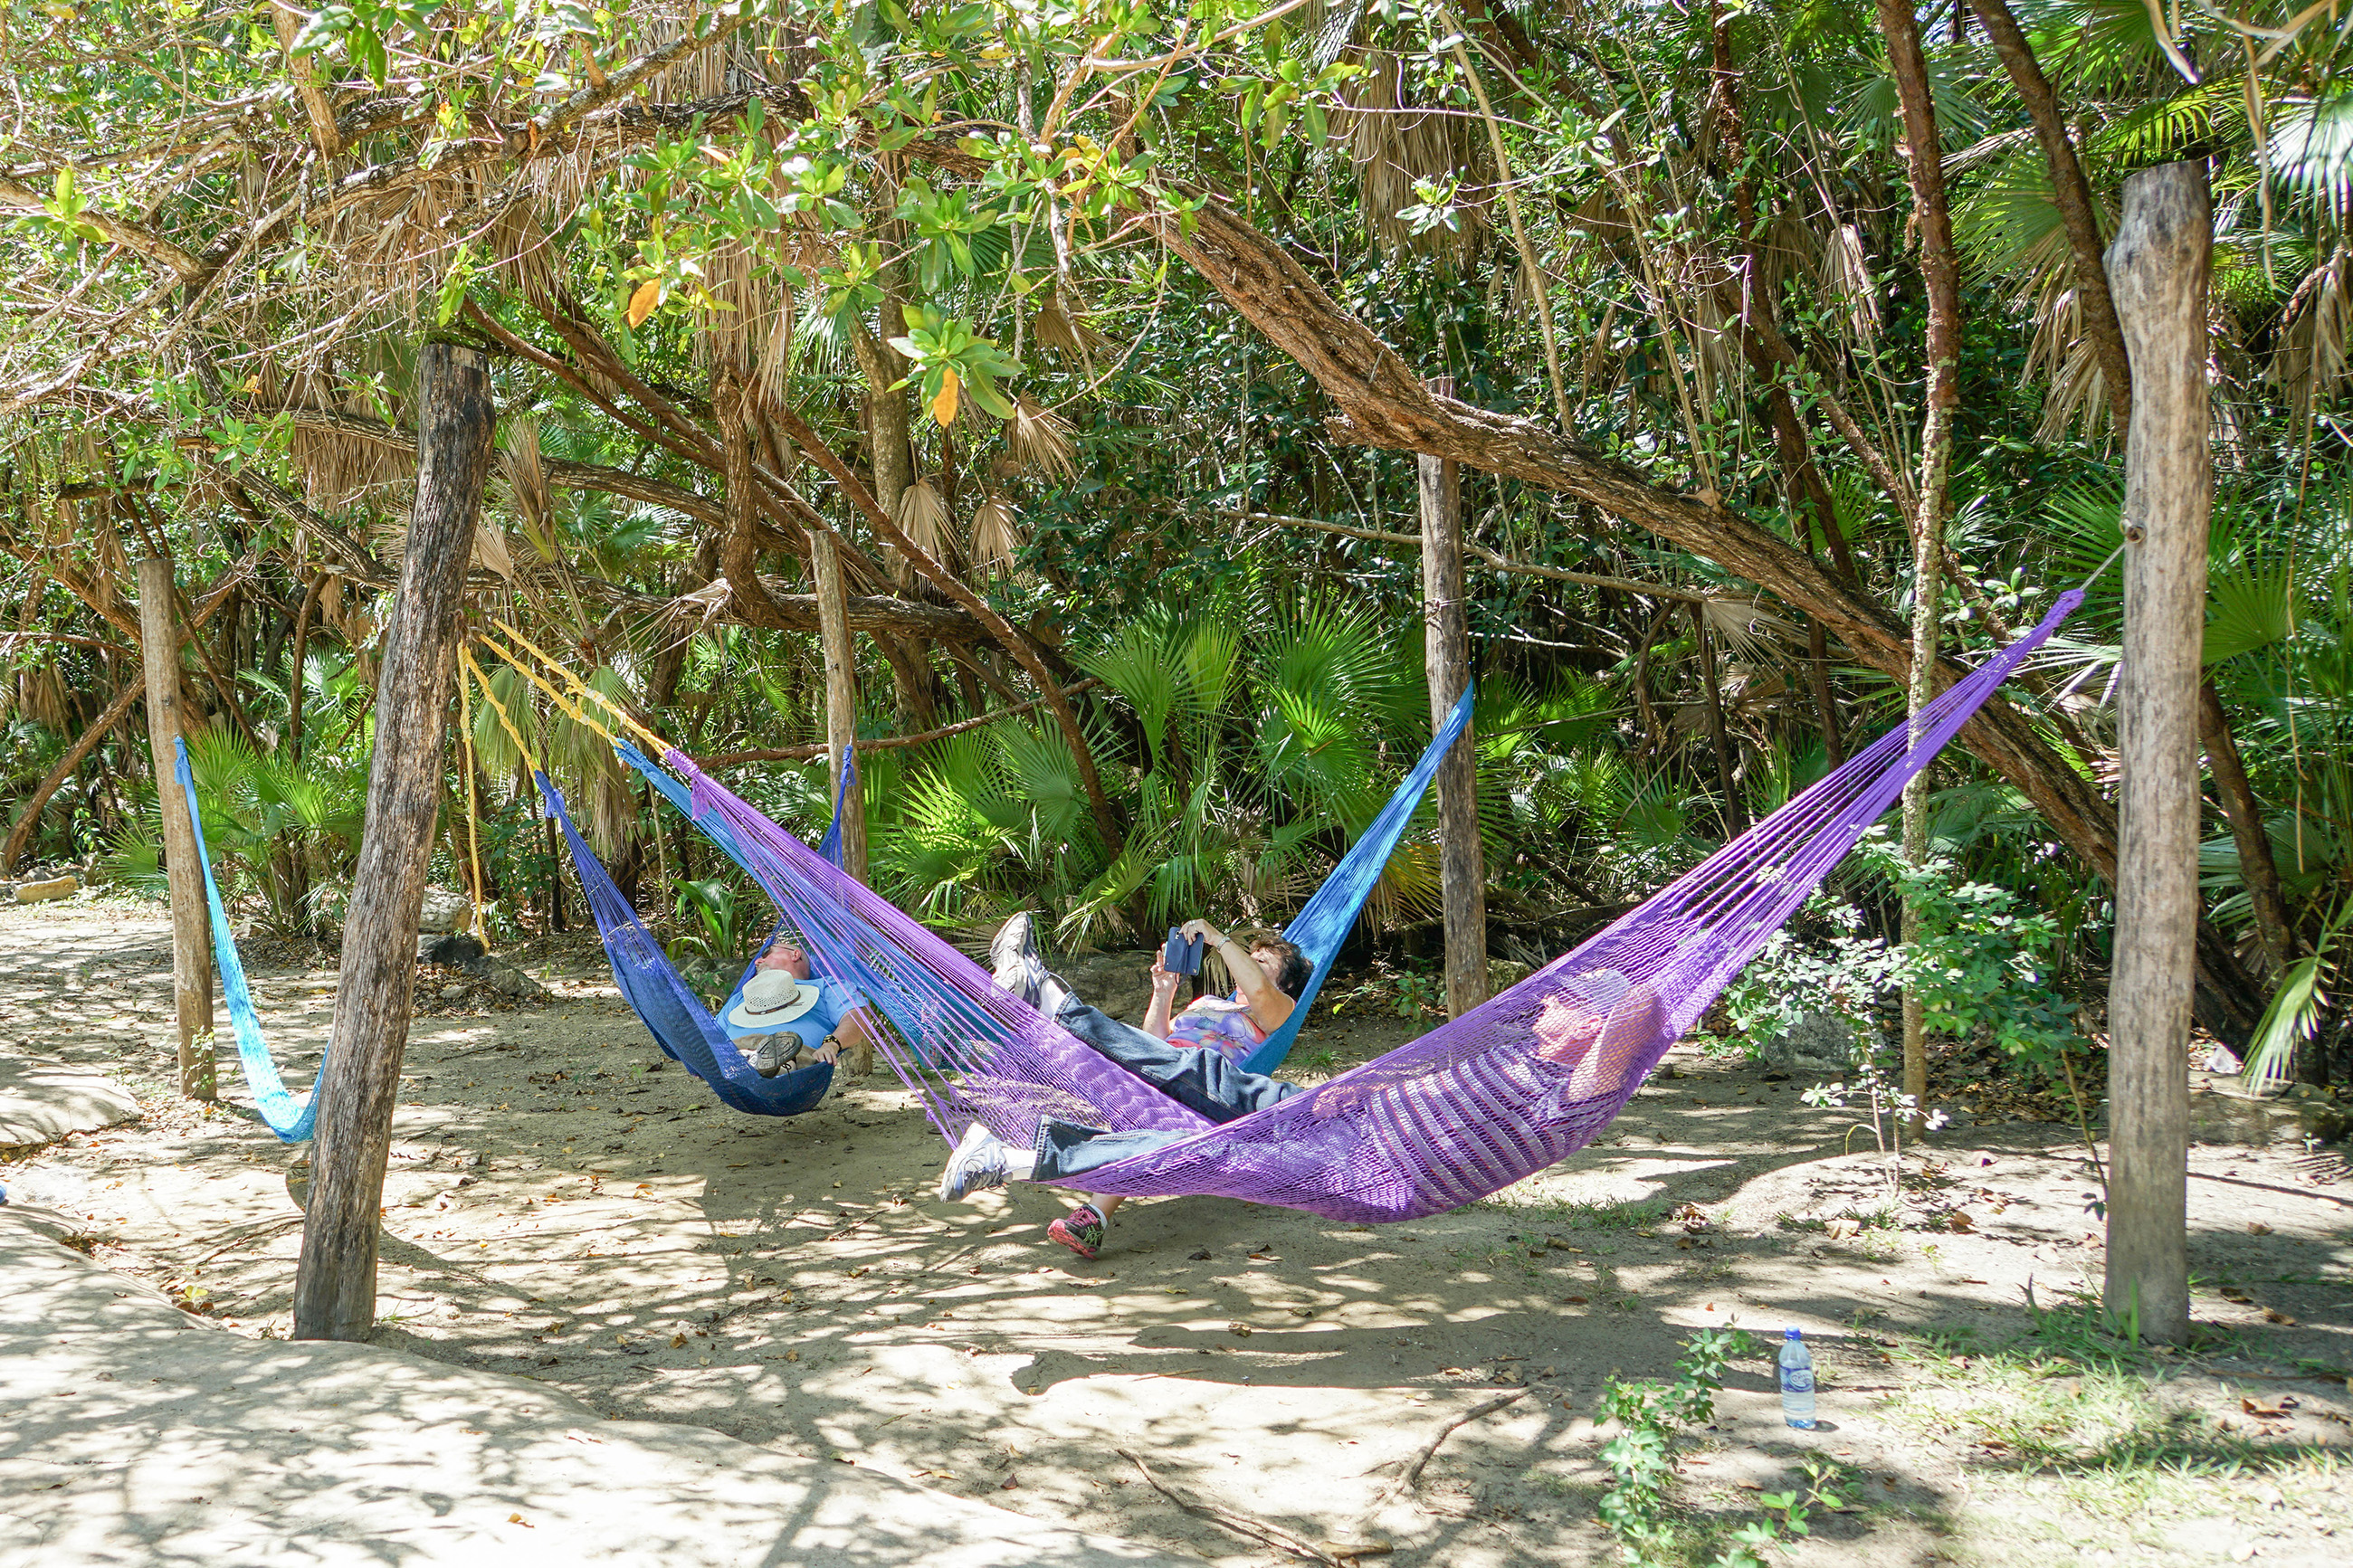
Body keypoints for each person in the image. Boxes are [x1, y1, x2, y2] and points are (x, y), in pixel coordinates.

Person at [945, 913, 1310, 1259]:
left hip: (1205, 1088)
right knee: (1134, 1098)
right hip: (1158, 1069)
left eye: (1260, 962)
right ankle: (1088, 1215)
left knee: (1160, 1100)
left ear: (1285, 983)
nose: (1246, 965)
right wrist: (1163, 992)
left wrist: (1217, 938)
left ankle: (1044, 1000)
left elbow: (1260, 993)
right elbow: (1154, 1041)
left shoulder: (1280, 1010)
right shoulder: (1209, 1002)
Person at [722, 937, 874, 1077]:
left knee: (789, 1053)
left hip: (795, 1054)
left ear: (795, 955)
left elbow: (856, 1016)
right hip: (734, 1051)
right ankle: (754, 1062)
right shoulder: (742, 997)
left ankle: (770, 1067)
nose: (757, 961)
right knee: (729, 1053)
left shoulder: (827, 987)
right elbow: (710, 1035)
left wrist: (832, 1044)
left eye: (766, 953)